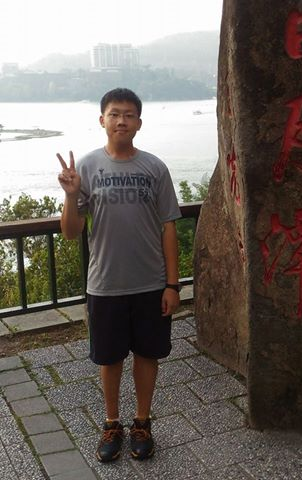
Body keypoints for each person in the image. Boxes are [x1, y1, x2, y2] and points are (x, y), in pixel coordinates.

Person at [57, 88, 182, 462]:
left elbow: (169, 227)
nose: (121, 121)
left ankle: (142, 422)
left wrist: (172, 285)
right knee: (109, 358)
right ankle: (111, 423)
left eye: (129, 115)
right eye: (114, 114)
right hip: (105, 284)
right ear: (102, 120)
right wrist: (71, 195)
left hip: (150, 283)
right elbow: (71, 232)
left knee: (147, 354)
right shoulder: (87, 168)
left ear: (139, 123)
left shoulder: (155, 168)